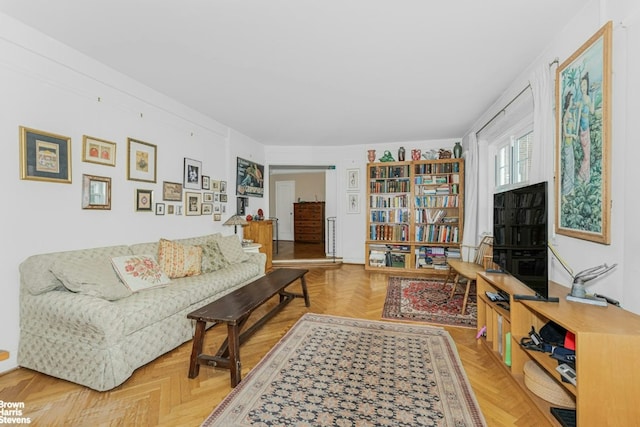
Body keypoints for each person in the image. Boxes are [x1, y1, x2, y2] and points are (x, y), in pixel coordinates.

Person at [576, 72, 594, 183]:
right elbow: (578, 117)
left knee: (588, 154)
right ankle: (581, 176)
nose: (583, 88)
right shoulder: (581, 100)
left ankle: (585, 176)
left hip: (586, 129)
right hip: (582, 131)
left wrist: (593, 94)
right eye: (581, 85)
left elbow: (592, 111)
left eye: (585, 85)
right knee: (586, 155)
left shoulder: (587, 98)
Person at [561, 91, 578, 196]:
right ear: (568, 102)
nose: (572, 102)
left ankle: (571, 188)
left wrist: (575, 116)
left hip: (571, 144)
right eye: (571, 100)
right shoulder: (565, 117)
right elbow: (566, 133)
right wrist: (572, 136)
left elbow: (573, 126)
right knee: (568, 167)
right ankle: (565, 191)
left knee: (572, 165)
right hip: (567, 144)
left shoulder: (571, 114)